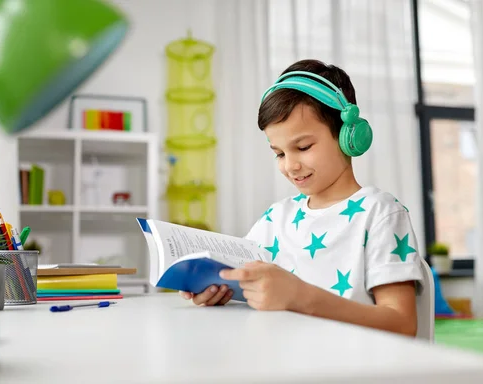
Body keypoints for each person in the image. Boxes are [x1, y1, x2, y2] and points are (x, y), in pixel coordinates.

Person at [179, 59, 424, 337]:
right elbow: (252, 290)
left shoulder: (379, 213)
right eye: (280, 153)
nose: (290, 166)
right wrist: (216, 290)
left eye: (303, 147)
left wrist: (301, 296)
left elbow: (403, 325)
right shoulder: (275, 218)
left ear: (347, 136)